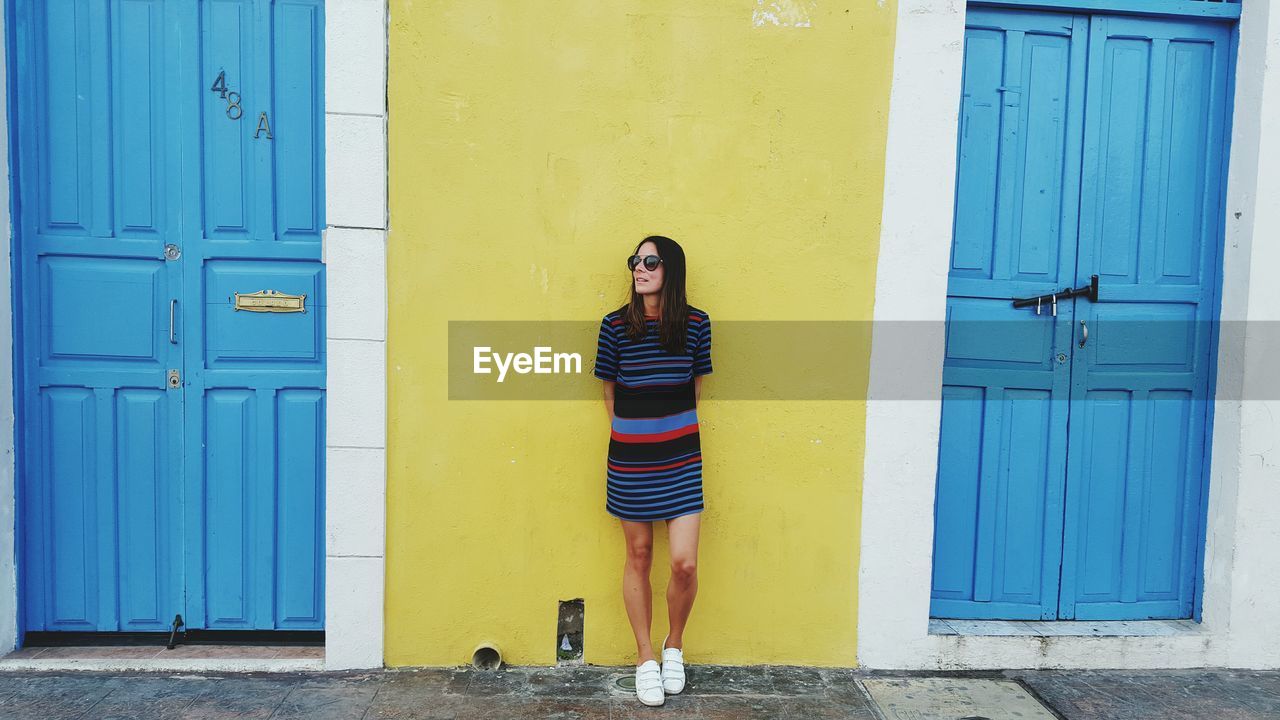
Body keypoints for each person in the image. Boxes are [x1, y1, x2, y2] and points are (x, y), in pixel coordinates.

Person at [593, 235, 712, 707]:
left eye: (649, 261)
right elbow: (608, 389)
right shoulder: (615, 326)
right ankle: (645, 657)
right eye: (635, 262)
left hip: (682, 460)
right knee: (638, 556)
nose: (638, 269)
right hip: (630, 462)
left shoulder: (697, 324)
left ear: (671, 269)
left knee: (684, 563)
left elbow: (695, 388)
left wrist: (669, 432)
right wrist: (632, 436)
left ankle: (673, 645)